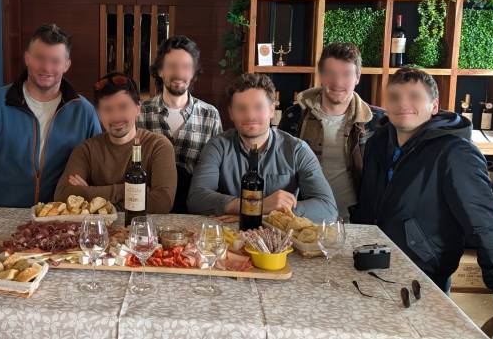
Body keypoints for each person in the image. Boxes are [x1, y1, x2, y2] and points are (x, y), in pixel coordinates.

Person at [352, 67, 493, 339]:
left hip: (424, 277)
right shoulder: (379, 142)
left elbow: (485, 226)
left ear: (434, 106)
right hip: (376, 269)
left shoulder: (455, 152)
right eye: (395, 96)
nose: (403, 103)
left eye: (414, 96)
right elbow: (370, 203)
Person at [0, 24, 100, 207]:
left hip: (59, 219)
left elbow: (97, 170)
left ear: (66, 65)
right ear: (27, 58)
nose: (46, 67)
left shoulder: (84, 112)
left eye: (55, 60)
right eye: (40, 58)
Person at [188, 73, 337, 222]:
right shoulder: (217, 146)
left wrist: (264, 214)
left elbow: (328, 209)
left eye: (258, 107)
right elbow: (196, 198)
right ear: (231, 113)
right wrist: (257, 205)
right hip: (230, 237)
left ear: (272, 109)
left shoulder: (298, 150)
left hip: (282, 240)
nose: (250, 115)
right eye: (241, 108)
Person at [279, 42, 384, 219]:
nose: (338, 82)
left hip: (358, 221)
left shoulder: (378, 121)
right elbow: (279, 169)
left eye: (346, 74)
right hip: (305, 219)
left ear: (358, 77)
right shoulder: (294, 116)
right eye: (331, 73)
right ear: (321, 75)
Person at [56, 72, 176, 212]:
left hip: (143, 230)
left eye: (123, 107)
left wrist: (90, 194)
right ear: (99, 114)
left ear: (138, 109)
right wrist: (126, 189)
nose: (115, 116)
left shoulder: (158, 146)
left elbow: (162, 203)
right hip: (98, 232)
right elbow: (62, 195)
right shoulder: (86, 150)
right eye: (107, 109)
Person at [137, 35, 221, 212]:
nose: (179, 73)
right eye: (172, 66)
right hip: (148, 209)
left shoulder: (210, 115)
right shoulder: (140, 113)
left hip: (194, 211)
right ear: (160, 71)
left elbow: (216, 172)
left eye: (186, 67)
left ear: (193, 72)